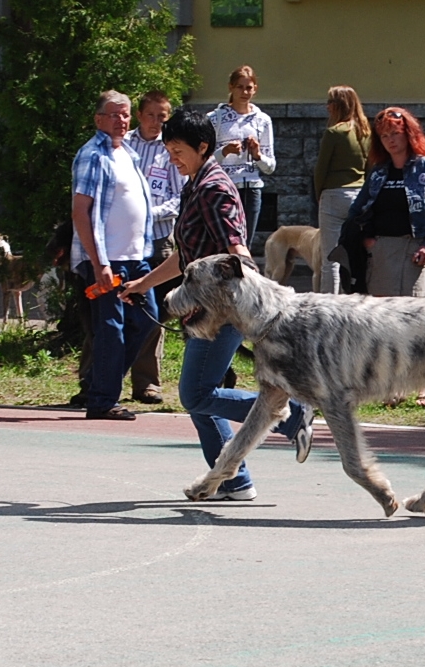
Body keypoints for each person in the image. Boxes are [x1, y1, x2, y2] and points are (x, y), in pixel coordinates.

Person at [119, 107, 314, 501]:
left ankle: (294, 415)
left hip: (224, 310)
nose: (171, 157)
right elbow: (185, 257)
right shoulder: (194, 184)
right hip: (203, 309)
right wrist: (143, 283)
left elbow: (236, 250)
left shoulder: (215, 189)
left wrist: (257, 301)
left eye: (177, 149)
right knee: (200, 399)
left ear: (202, 146)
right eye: (168, 149)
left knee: (195, 394)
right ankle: (233, 480)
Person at [344, 106, 425, 406]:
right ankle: (392, 387)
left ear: (408, 134)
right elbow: (358, 209)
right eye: (384, 136)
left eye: (395, 134)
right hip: (382, 249)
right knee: (384, 323)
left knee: (418, 321)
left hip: (414, 250)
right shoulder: (379, 172)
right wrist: (368, 239)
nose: (390, 141)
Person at [70, 90, 159, 421]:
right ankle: (102, 400)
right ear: (98, 120)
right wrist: (99, 263)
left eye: (125, 114)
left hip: (137, 257)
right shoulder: (93, 155)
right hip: (109, 260)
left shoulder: (129, 154)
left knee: (147, 319)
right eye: (114, 114)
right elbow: (81, 212)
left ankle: (97, 384)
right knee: (112, 328)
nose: (122, 120)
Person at [124, 90, 188, 404]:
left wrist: (152, 212)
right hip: (124, 242)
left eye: (162, 117)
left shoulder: (171, 151)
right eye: (151, 115)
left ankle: (147, 383)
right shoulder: (124, 145)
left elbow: (181, 196)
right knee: (116, 308)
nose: (156, 122)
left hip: (159, 239)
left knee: (153, 313)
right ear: (139, 115)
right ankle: (101, 378)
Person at [207, 65, 275, 247]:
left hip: (251, 189)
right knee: (223, 242)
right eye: (240, 87)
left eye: (249, 88)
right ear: (231, 87)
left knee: (244, 244)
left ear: (255, 89)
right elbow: (204, 160)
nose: (245, 92)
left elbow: (270, 167)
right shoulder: (215, 118)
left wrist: (257, 154)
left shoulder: (263, 120)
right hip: (223, 188)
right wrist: (225, 151)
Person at [314, 85, 371, 294]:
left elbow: (321, 168)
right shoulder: (366, 132)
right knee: (356, 253)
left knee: (330, 258)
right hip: (359, 195)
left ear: (339, 106)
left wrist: (318, 193)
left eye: (330, 103)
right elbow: (370, 167)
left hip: (334, 194)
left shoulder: (334, 133)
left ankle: (329, 303)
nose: (327, 107)